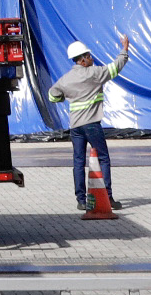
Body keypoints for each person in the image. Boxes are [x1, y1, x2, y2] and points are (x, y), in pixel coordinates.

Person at [47, 33, 132, 215]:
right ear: (83, 59)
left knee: (78, 161)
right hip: (92, 125)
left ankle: (81, 200)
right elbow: (116, 67)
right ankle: (107, 197)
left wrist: (62, 98)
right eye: (89, 56)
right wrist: (124, 49)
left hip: (75, 127)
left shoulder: (66, 79)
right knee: (103, 159)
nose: (92, 58)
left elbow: (52, 94)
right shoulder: (94, 74)